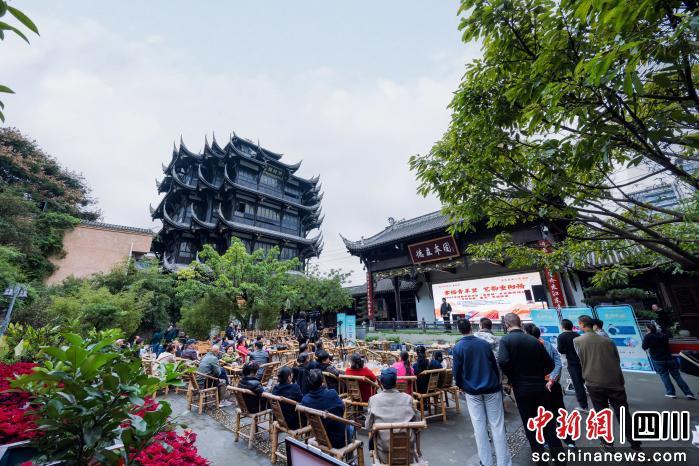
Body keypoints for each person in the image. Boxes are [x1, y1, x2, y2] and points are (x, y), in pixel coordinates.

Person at [498, 313, 561, 465]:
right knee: (549, 424)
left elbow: (503, 361)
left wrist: (513, 375)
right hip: (540, 386)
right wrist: (539, 373)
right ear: (520, 323)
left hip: (521, 387)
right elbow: (550, 364)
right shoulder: (533, 340)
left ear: (506, 325)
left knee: (531, 425)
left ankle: (541, 461)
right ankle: (560, 460)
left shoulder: (506, 340)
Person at [575, 315, 640, 450]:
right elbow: (617, 359)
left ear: (582, 324)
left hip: (593, 381)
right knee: (623, 414)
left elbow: (580, 359)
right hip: (614, 381)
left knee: (601, 413)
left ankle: (607, 444)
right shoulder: (608, 341)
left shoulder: (578, 341)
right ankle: (636, 446)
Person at [453, 318, 511, 466]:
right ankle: (504, 462)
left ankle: (486, 462)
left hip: (472, 391)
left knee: (479, 428)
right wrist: (498, 382)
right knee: (497, 426)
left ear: (459, 330)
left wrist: (460, 385)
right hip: (492, 388)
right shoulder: (484, 344)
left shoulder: (458, 347)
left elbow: (456, 371)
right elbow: (494, 365)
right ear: (472, 327)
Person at [523, 324, 575, 449]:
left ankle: (546, 440)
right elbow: (558, 363)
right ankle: (569, 440)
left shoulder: (528, 348)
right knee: (559, 412)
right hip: (553, 385)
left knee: (541, 414)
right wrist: (552, 379)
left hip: (539, 386)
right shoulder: (547, 344)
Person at [365, 368, 420, 464]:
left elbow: (368, 426)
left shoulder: (373, 400)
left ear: (381, 384)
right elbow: (417, 424)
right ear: (396, 382)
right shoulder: (408, 399)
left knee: (373, 435)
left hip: (385, 454)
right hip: (407, 453)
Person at [301, 369, 352, 449]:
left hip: (319, 436)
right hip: (338, 438)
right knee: (351, 427)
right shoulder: (332, 393)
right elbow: (342, 410)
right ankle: (349, 455)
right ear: (322, 381)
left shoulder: (305, 400)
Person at [642, 323, 695, 400]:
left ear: (648, 329)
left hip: (658, 359)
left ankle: (671, 393)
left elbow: (644, 347)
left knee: (664, 376)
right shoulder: (664, 335)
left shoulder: (648, 336)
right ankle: (688, 393)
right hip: (669, 359)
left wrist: (647, 337)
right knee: (677, 376)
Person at [557, 319, 588, 411]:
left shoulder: (561, 336)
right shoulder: (577, 335)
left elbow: (560, 350)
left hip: (572, 363)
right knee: (585, 382)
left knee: (578, 384)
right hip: (582, 361)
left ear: (562, 327)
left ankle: (583, 406)